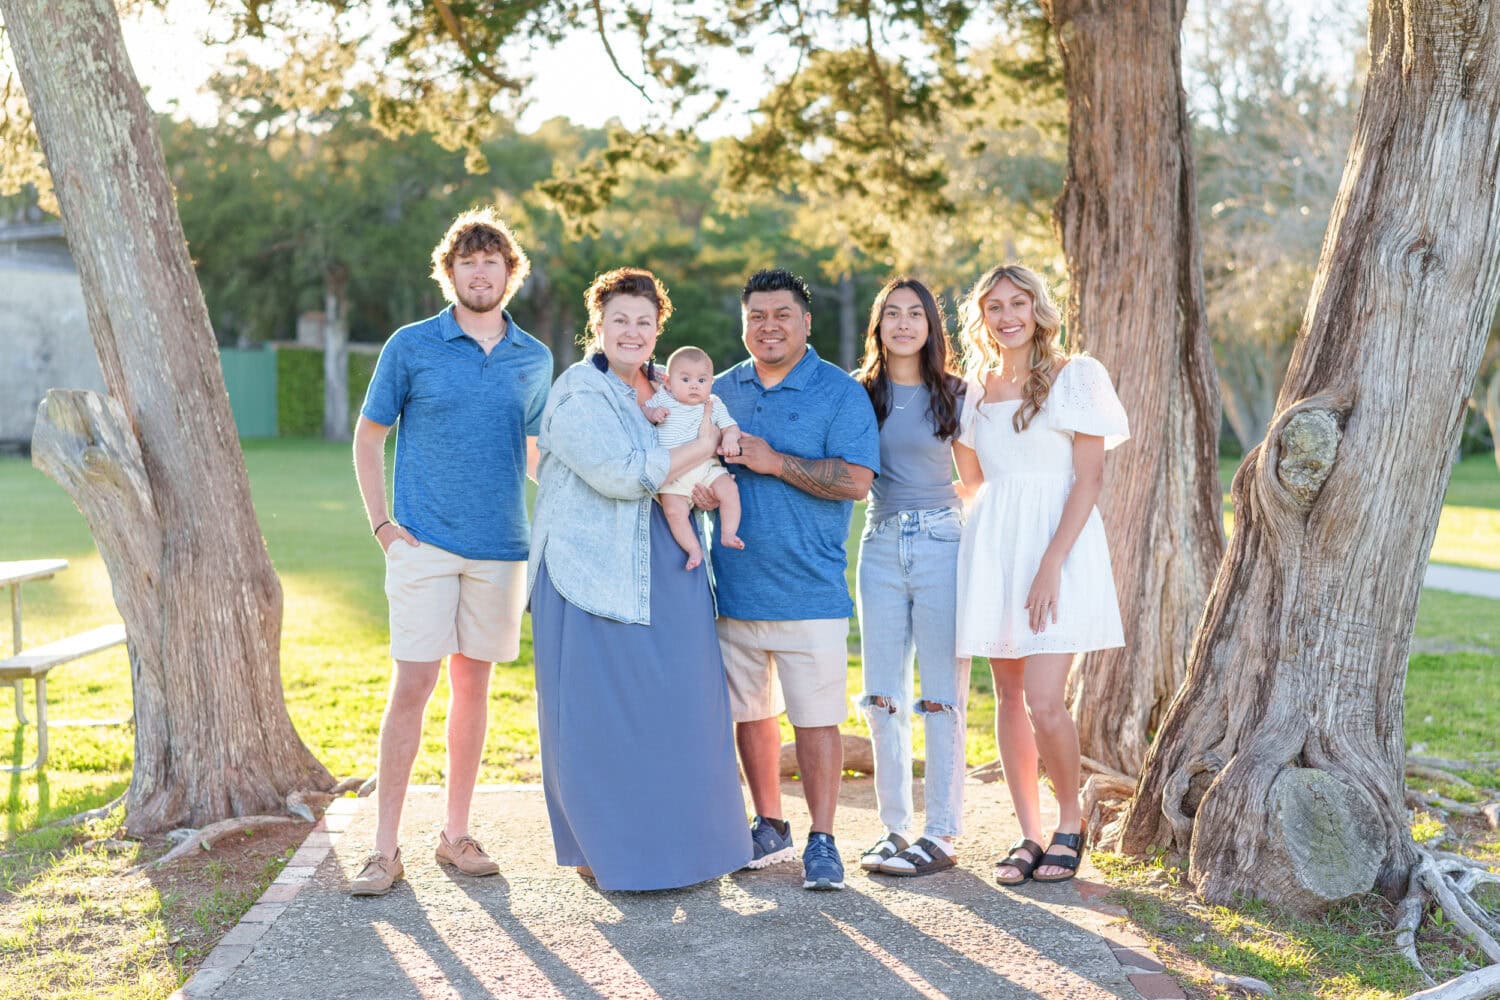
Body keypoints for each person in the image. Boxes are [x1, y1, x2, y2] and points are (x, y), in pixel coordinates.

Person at [350, 207, 554, 896]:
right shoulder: (410, 346)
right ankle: (383, 849)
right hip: (423, 545)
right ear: (449, 273)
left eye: (491, 262)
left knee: (475, 687)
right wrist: (383, 526)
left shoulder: (535, 358)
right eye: (467, 262)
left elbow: (533, 454)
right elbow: (369, 438)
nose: (479, 272)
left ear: (509, 274)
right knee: (413, 685)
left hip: (501, 549)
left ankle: (455, 834)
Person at [528, 267, 751, 890]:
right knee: (599, 715)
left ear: (659, 329)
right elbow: (624, 475)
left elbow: (694, 460)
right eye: (619, 320)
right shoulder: (577, 393)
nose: (631, 331)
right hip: (588, 563)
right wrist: (700, 446)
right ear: (596, 325)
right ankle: (609, 853)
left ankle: (689, 851)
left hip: (665, 555)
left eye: (644, 322)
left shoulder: (667, 384)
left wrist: (703, 482)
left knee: (685, 700)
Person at [702, 267, 880, 891]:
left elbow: (857, 482)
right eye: (756, 315)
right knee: (750, 714)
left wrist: (775, 462)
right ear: (743, 323)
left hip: (810, 590)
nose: (768, 326)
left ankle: (823, 838)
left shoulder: (838, 393)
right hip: (734, 589)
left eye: (781, 315)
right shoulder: (719, 391)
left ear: (806, 323)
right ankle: (769, 824)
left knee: (816, 718)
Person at [951, 264, 1129, 886]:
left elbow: (1090, 478)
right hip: (996, 549)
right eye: (994, 306)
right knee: (1007, 696)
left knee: (1045, 699)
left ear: (1038, 308)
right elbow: (975, 484)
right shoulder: (972, 391)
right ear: (982, 318)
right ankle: (1027, 833)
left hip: (1059, 549)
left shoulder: (1074, 376)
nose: (1007, 316)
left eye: (1017, 302)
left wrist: (1051, 562)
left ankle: (1070, 822)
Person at [850, 278, 972, 878]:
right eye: (892, 313)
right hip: (878, 543)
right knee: (882, 693)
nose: (903, 323)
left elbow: (979, 476)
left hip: (941, 543)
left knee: (941, 692)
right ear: (878, 325)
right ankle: (894, 828)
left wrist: (944, 504)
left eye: (915, 314)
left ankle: (942, 833)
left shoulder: (954, 393)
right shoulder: (859, 394)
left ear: (930, 326)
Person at [643, 345, 745, 569]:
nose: (694, 386)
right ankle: (693, 549)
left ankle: (728, 533)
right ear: (668, 382)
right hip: (674, 474)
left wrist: (729, 440)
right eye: (686, 379)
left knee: (729, 489)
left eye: (701, 380)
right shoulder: (663, 398)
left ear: (711, 383)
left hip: (706, 468)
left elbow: (731, 427)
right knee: (674, 511)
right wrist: (652, 413)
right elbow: (643, 410)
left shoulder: (713, 403)